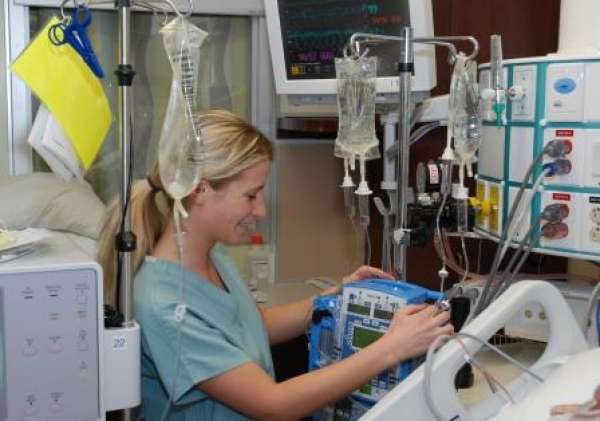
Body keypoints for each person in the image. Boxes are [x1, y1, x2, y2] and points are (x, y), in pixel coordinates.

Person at [98, 109, 454, 420]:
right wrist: (391, 348)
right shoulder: (164, 305)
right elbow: (274, 404)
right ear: (200, 191)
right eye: (251, 195)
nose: (261, 211)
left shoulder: (210, 257)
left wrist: (333, 299)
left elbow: (251, 325)